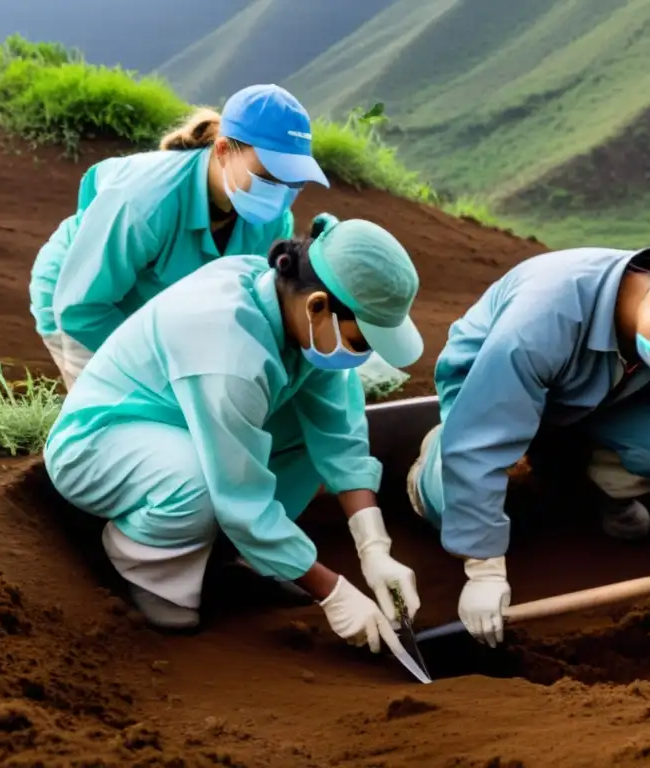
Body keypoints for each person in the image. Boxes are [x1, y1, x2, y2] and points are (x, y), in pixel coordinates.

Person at [43, 213, 426, 654]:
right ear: (318, 305)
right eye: (361, 341)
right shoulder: (226, 342)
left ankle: (241, 556)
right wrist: (333, 591)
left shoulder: (293, 309)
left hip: (187, 426)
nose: (364, 354)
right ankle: (145, 560)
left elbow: (339, 434)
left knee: (305, 436)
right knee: (201, 482)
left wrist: (375, 548)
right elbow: (239, 495)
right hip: (102, 444)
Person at [406, 247, 650, 647]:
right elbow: (480, 440)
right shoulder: (542, 319)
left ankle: (583, 480)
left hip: (593, 398)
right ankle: (431, 463)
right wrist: (483, 569)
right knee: (448, 497)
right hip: (486, 391)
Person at [30, 83, 329, 390]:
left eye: (293, 179)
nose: (280, 192)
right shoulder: (145, 202)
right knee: (123, 414)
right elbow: (81, 308)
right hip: (84, 302)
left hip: (158, 308)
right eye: (267, 174)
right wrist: (161, 368)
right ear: (224, 150)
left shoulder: (271, 218)